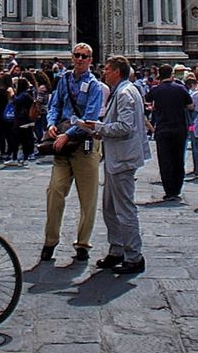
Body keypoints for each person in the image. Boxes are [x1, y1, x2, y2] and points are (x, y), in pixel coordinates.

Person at [80, 56, 150, 276]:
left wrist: (99, 128)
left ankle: (134, 256)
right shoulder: (123, 90)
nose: (104, 73)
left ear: (118, 72)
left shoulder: (124, 93)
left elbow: (125, 127)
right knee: (110, 208)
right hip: (116, 159)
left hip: (123, 160)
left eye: (108, 69)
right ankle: (117, 250)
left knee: (124, 209)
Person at [40, 43, 103, 264]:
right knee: (54, 191)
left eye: (84, 56)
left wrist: (69, 134)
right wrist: (50, 124)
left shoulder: (94, 85)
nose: (80, 59)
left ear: (90, 60)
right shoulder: (64, 79)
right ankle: (50, 240)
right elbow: (55, 105)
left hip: (84, 145)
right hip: (62, 144)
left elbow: (91, 116)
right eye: (76, 55)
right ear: (71, 57)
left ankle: (83, 243)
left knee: (88, 198)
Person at [146, 64, 193, 200]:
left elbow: (147, 100)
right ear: (171, 74)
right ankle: (176, 189)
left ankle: (169, 190)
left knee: (165, 160)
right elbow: (190, 106)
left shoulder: (156, 90)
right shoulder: (180, 88)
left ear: (159, 75)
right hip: (179, 128)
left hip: (162, 129)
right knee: (178, 159)